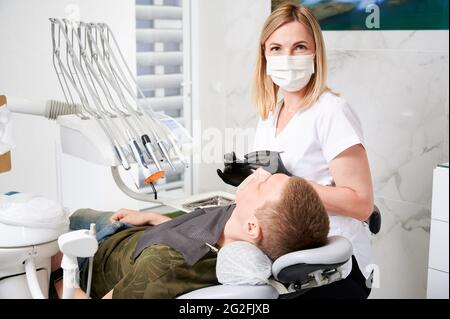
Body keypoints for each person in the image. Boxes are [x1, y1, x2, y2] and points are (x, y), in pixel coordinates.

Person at [218, 2, 374, 298]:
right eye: (276, 48)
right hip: (286, 253)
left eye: (299, 47)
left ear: (316, 52)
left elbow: (361, 203)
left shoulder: (331, 112)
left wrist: (290, 183)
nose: (287, 58)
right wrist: (251, 178)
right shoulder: (270, 112)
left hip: (332, 263)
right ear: (264, 56)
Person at [52, 168, 329, 299]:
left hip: (94, 254)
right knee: (64, 213)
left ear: (253, 228)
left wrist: (59, 275)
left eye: (264, 183)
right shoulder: (240, 224)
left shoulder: (164, 268)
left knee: (45, 225)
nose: (258, 173)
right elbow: (196, 236)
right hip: (136, 232)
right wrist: (154, 219)